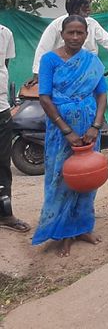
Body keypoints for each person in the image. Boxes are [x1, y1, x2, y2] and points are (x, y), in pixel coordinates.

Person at [32, 16, 107, 256]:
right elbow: (44, 97)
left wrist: (95, 126)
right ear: (62, 34)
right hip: (60, 131)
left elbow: (102, 95)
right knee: (61, 179)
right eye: (70, 33)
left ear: (86, 35)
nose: (75, 37)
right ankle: (62, 233)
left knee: (87, 178)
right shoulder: (50, 60)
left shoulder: (92, 61)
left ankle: (83, 227)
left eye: (80, 33)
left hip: (89, 130)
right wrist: (67, 130)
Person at [28, 0, 108, 85]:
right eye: (86, 6)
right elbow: (43, 48)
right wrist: (37, 73)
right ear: (75, 8)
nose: (89, 9)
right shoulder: (57, 24)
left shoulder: (92, 24)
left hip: (87, 73)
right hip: (62, 74)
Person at [0, 23, 29, 232]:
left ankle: (5, 214)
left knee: (2, 164)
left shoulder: (5, 32)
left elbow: (5, 65)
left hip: (1, 109)